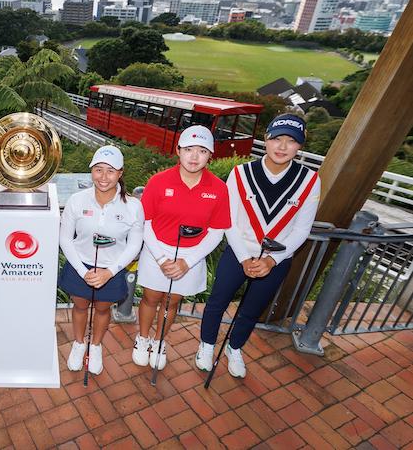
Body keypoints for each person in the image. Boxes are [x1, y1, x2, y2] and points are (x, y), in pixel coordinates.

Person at [196, 114, 320, 377]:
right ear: (266, 139)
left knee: (251, 310)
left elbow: (302, 230)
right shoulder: (241, 173)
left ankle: (235, 347)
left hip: (276, 259)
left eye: (291, 141)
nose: (282, 147)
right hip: (238, 253)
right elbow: (229, 221)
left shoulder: (310, 180)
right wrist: (244, 258)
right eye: (277, 139)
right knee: (217, 302)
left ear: (300, 145)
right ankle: (206, 344)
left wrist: (271, 261)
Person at [133, 126, 230, 371]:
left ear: (210, 155)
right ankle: (143, 338)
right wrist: (162, 258)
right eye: (188, 149)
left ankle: (159, 341)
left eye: (202, 151)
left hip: (191, 256)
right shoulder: (158, 181)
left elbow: (217, 231)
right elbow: (145, 223)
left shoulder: (219, 188)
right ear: (178, 151)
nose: (194, 156)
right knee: (150, 297)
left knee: (172, 301)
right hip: (157, 250)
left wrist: (187, 262)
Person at [59, 145, 143, 376]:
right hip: (79, 265)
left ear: (120, 173)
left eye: (110, 171)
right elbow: (65, 238)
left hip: (112, 269)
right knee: (80, 306)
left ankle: (95, 346)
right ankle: (79, 344)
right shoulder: (77, 200)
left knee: (103, 309)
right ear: (91, 171)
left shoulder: (133, 206)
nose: (103, 177)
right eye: (98, 170)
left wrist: (110, 272)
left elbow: (134, 245)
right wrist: (82, 271)